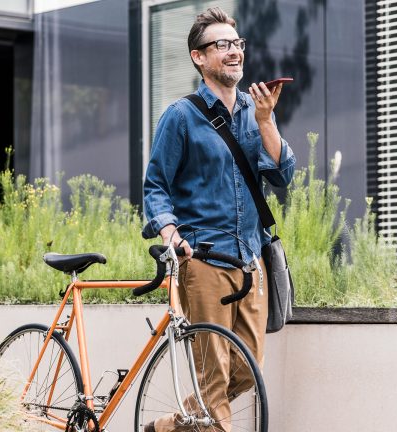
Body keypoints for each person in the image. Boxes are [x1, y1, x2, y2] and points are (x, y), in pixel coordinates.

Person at [141, 6, 296, 432]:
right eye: (221, 45)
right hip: (204, 261)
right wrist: (171, 234)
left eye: (237, 43)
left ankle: (175, 424)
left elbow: (283, 175)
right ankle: (200, 417)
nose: (233, 52)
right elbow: (155, 186)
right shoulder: (181, 116)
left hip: (250, 259)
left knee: (246, 372)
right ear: (199, 57)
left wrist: (267, 122)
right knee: (214, 384)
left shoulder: (255, 110)